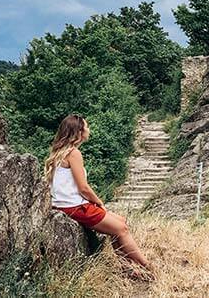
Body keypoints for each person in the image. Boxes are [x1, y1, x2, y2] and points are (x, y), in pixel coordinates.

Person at [45, 114, 151, 273]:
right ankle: (148, 267)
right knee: (121, 228)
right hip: (73, 206)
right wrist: (99, 202)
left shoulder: (59, 152)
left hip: (64, 204)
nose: (89, 129)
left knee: (120, 221)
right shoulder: (73, 153)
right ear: (79, 132)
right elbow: (83, 188)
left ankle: (126, 267)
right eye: (86, 127)